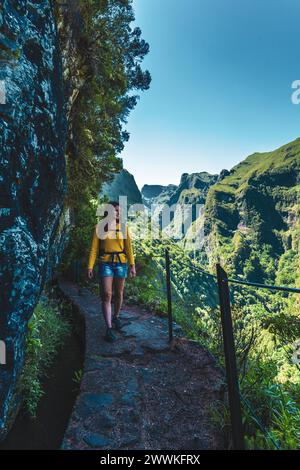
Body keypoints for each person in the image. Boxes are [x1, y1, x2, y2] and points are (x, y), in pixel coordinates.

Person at [87, 201, 136, 342]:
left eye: (119, 211)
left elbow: (129, 248)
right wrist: (90, 266)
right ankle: (108, 328)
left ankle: (116, 317)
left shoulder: (123, 228)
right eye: (115, 210)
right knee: (107, 294)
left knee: (119, 293)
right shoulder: (99, 227)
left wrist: (132, 265)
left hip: (121, 263)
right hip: (105, 263)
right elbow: (94, 249)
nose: (118, 213)